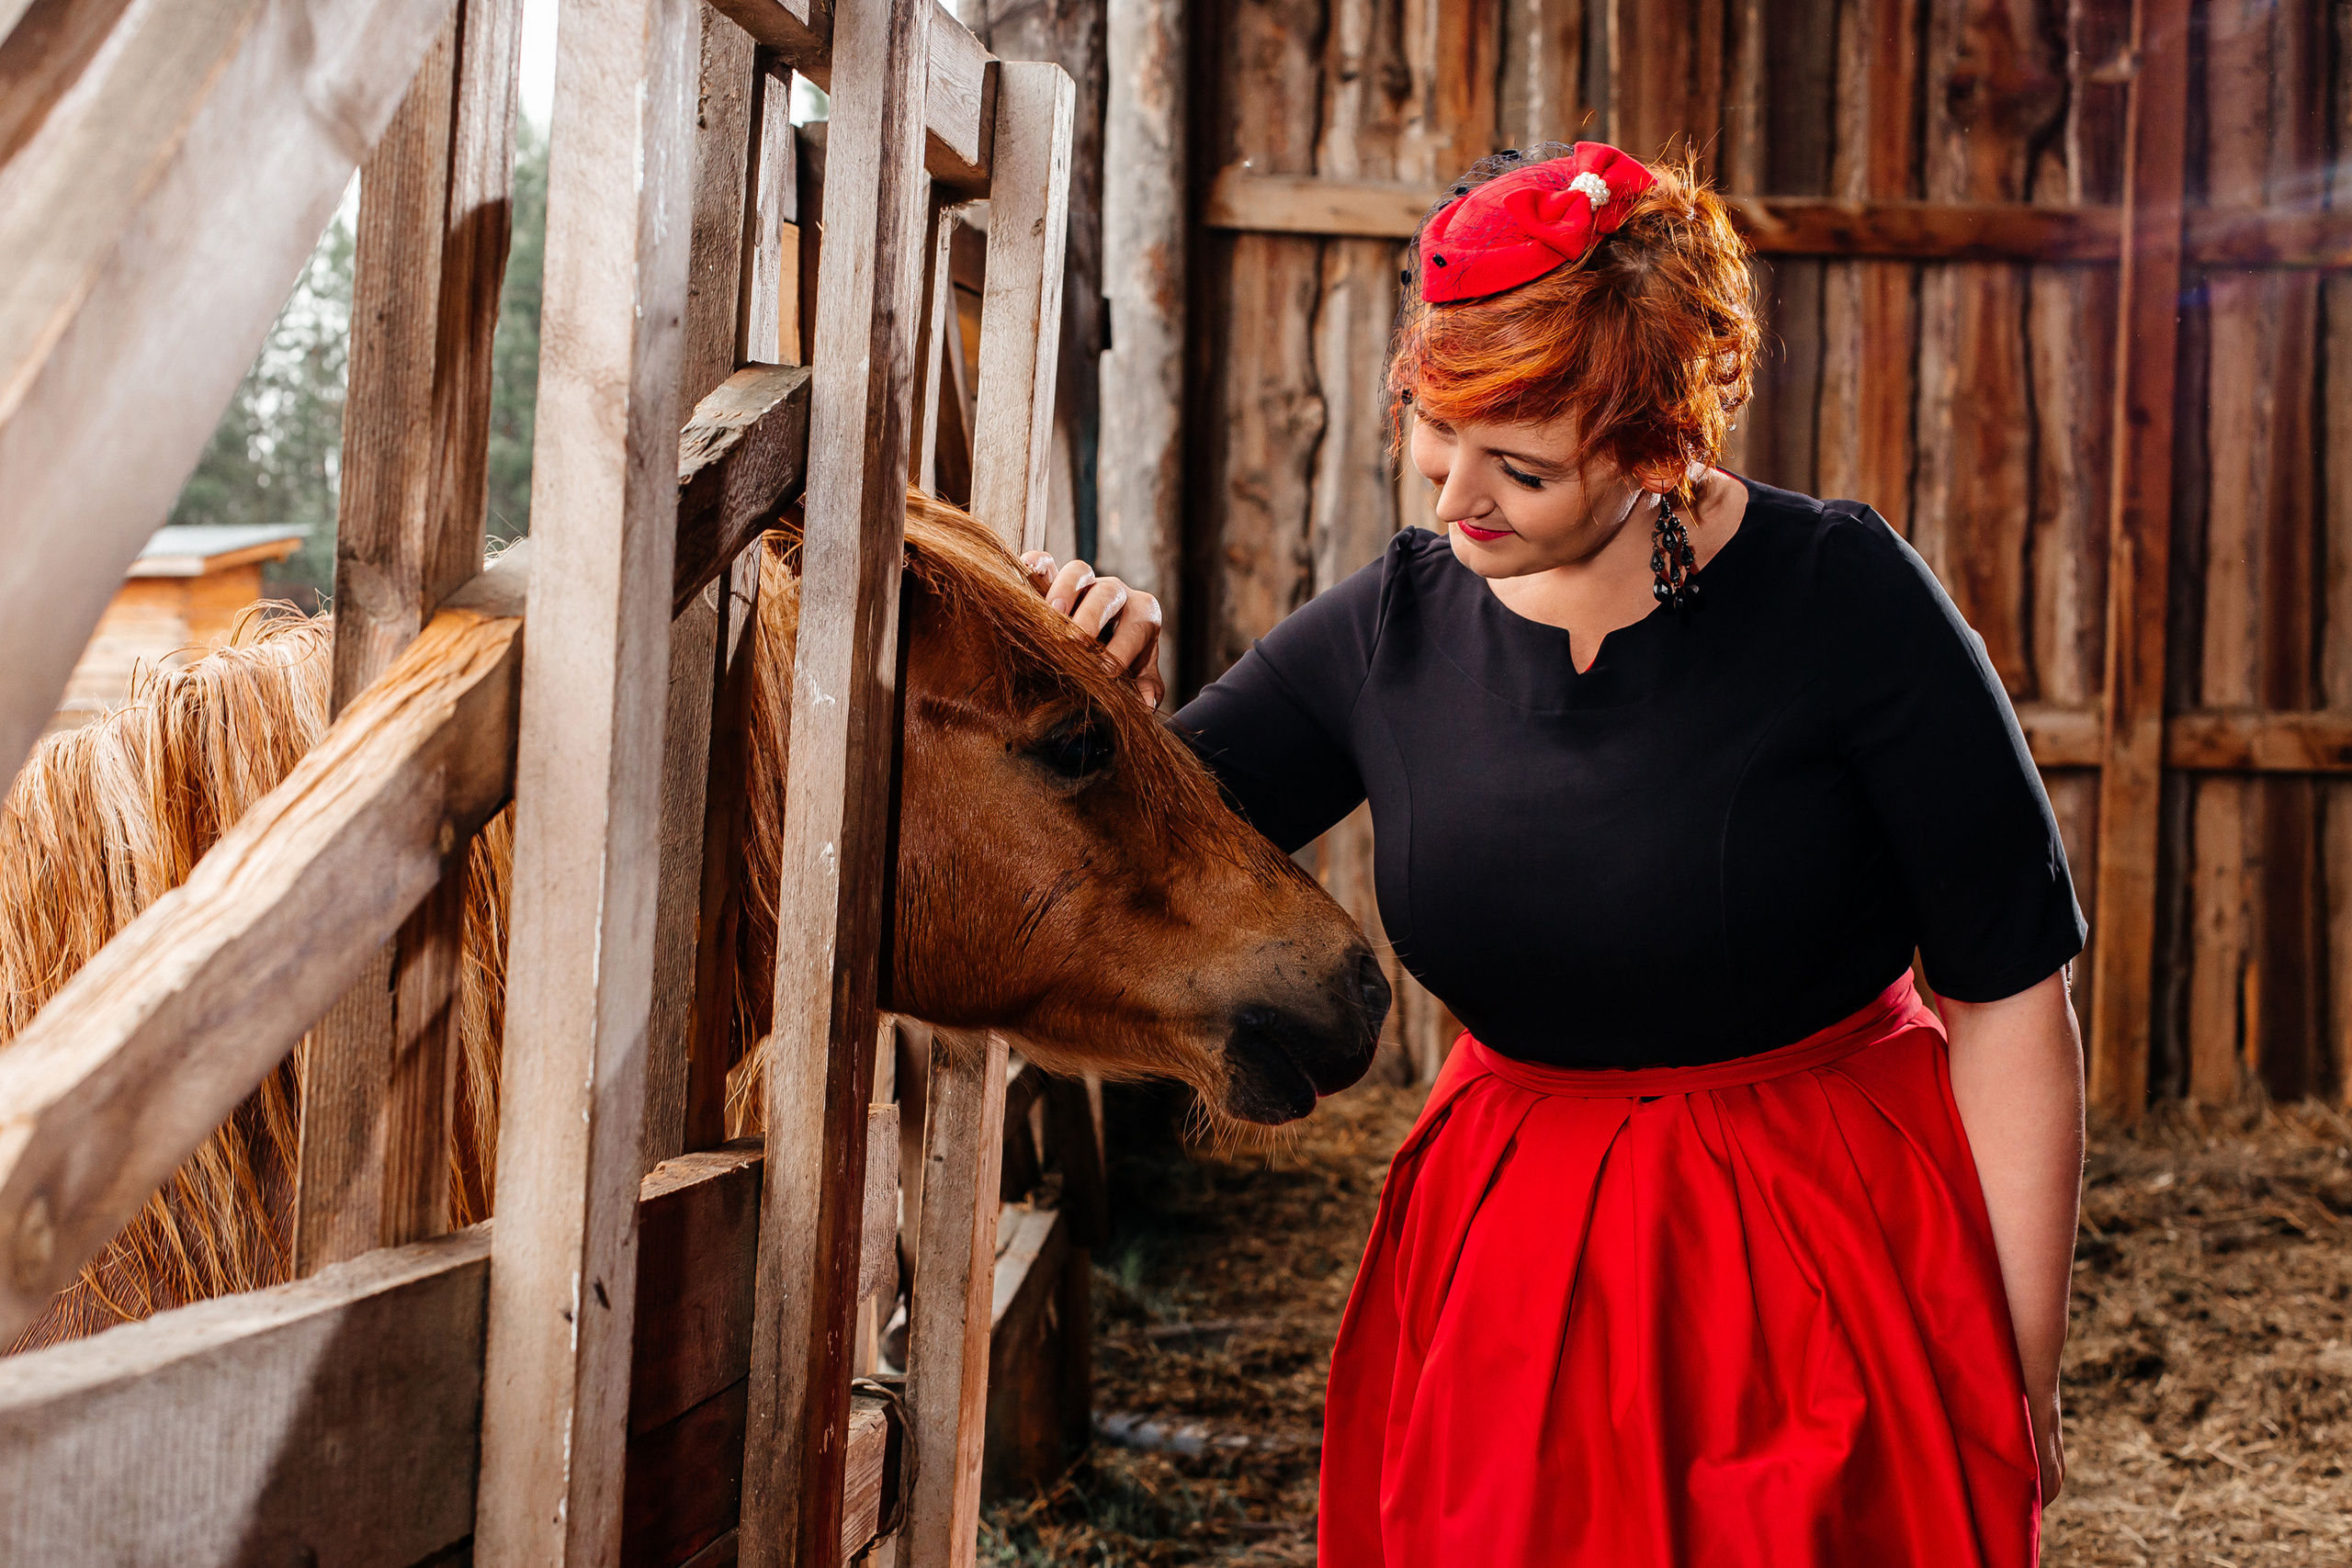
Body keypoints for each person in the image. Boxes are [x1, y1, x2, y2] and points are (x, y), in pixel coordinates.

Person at [1023, 141, 2084, 1567]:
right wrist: (1082, 691)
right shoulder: (1390, 628)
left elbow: (2008, 997)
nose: (1453, 493)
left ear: (1661, 444)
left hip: (1822, 1255)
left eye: (1516, 465)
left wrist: (2014, 1355)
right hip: (1512, 1273)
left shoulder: (1852, 607)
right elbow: (1138, 855)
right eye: (1430, 427)